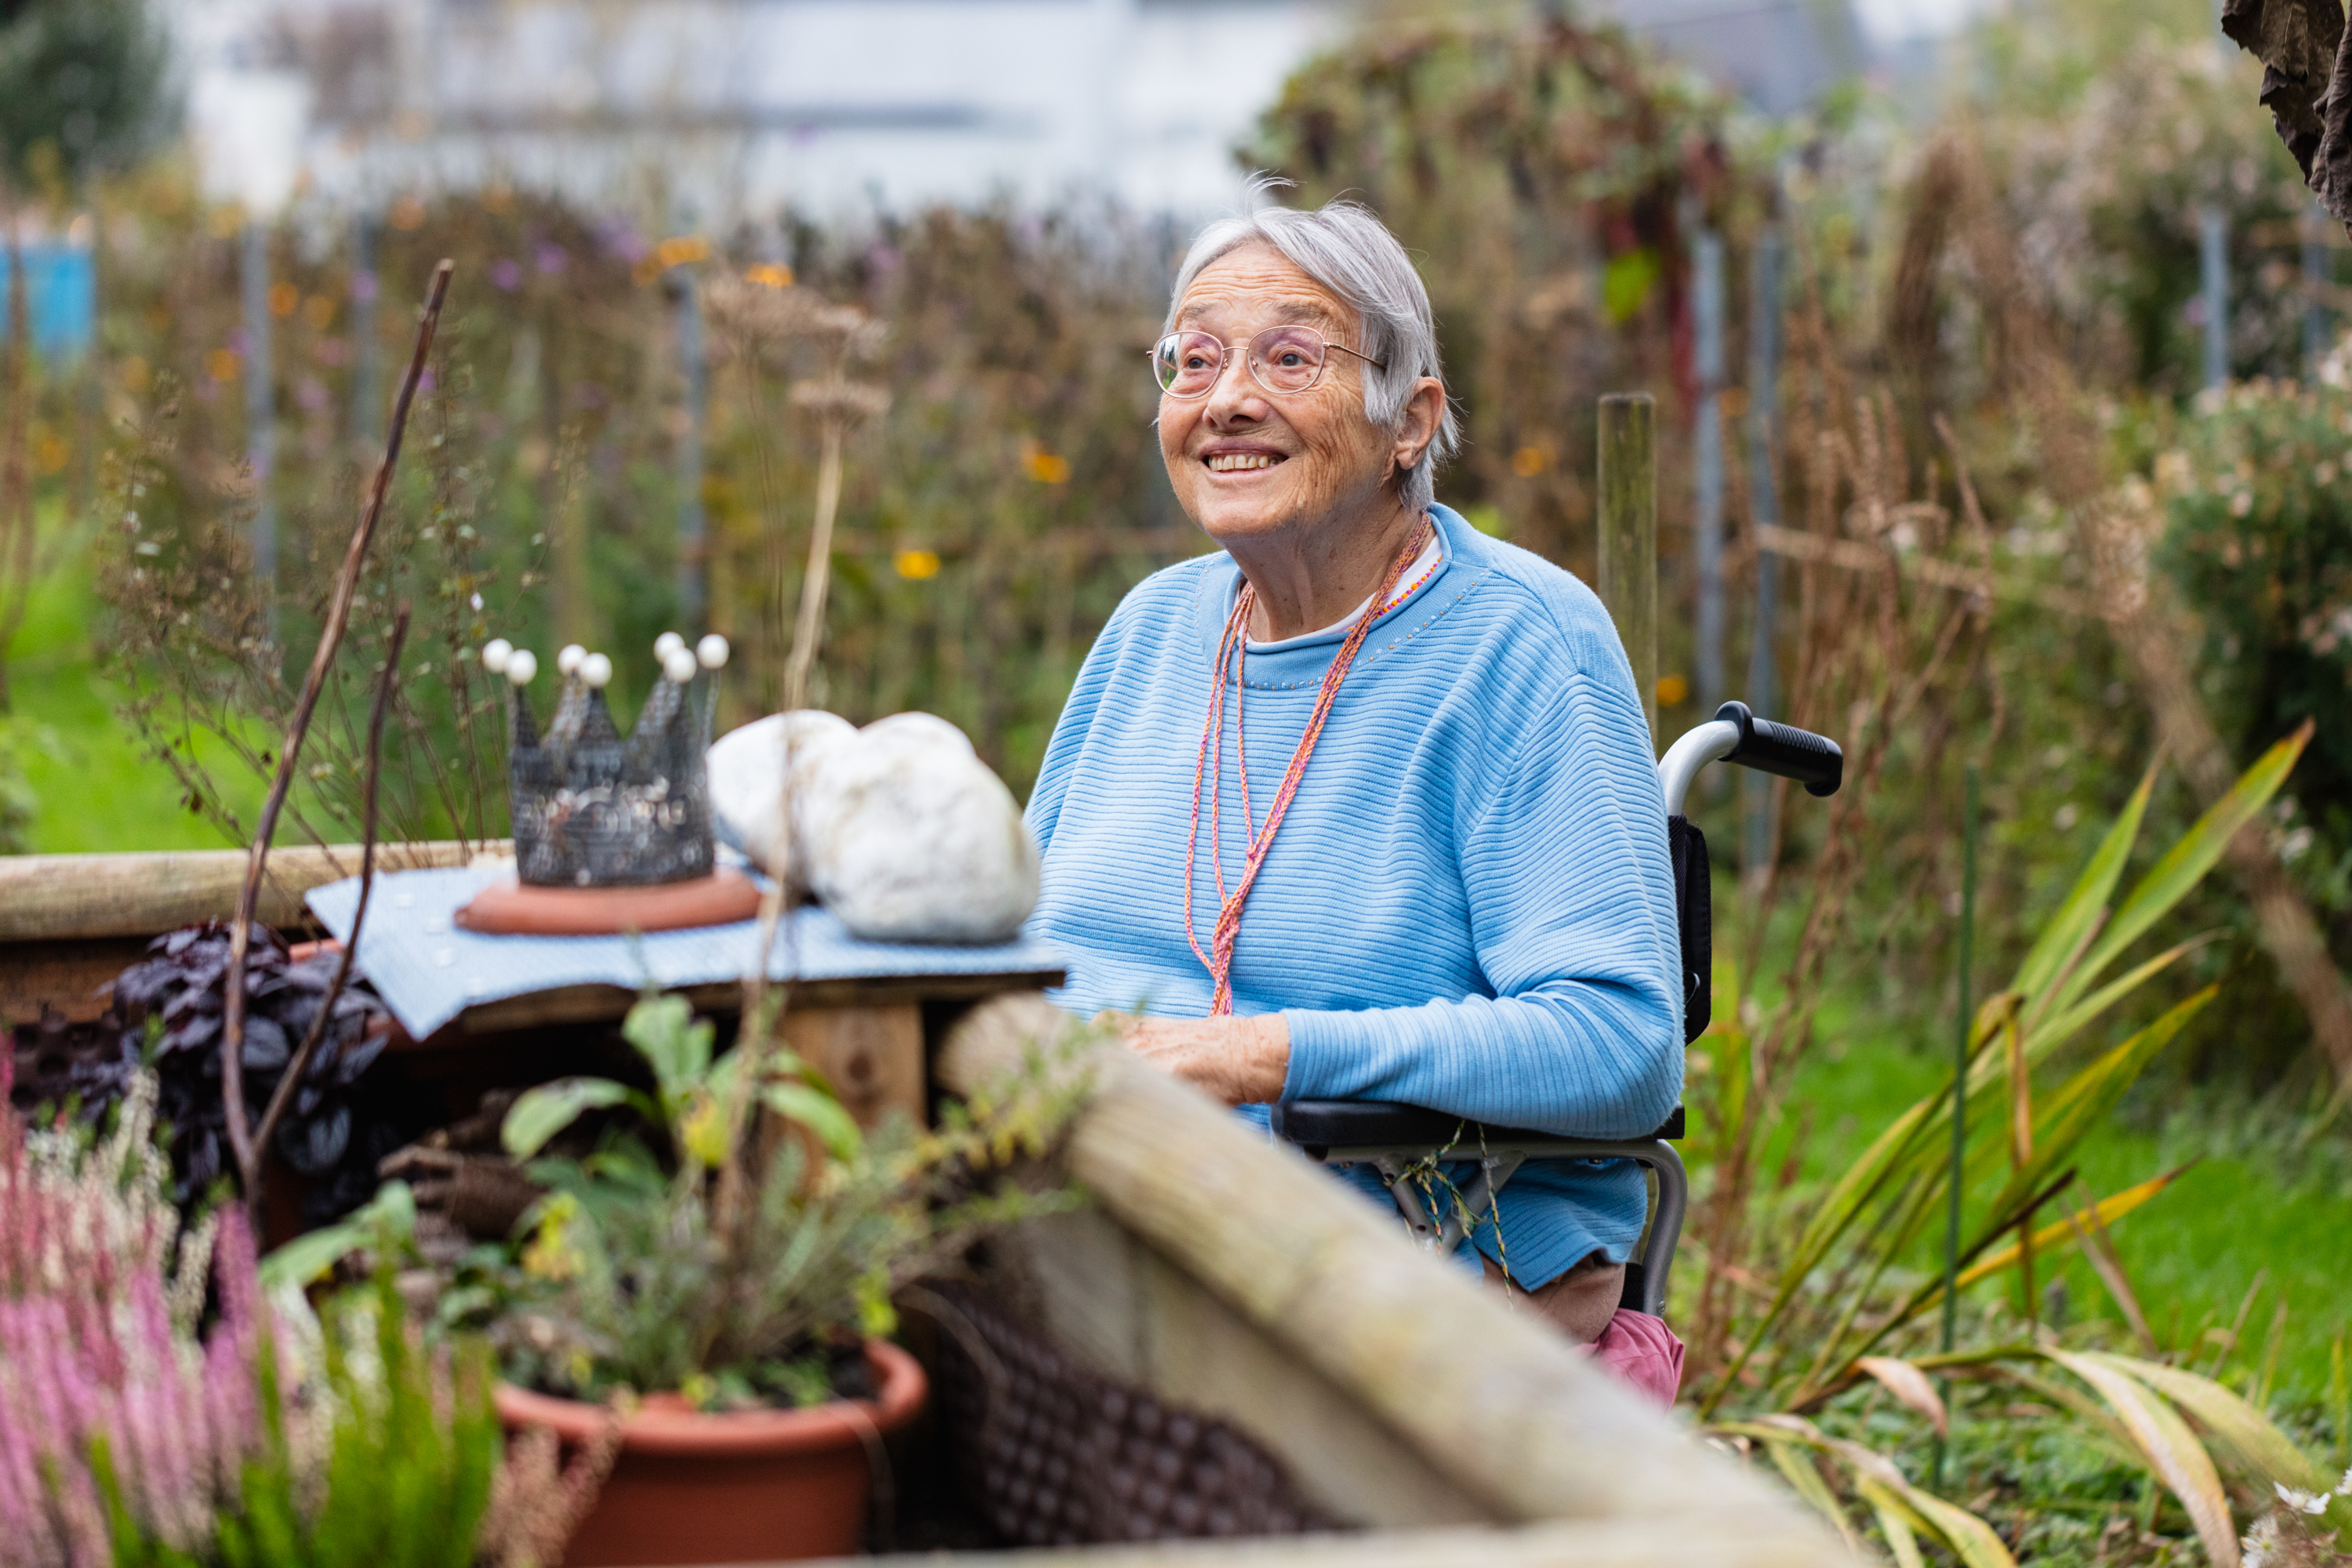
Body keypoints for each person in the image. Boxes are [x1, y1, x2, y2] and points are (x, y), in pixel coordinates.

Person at [1022, 185, 1685, 1402]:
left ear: (1408, 420)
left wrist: (1265, 1055)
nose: (1227, 400)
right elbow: (1009, 946)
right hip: (1090, 1207)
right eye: (1195, 359)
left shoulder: (1517, 646)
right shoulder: (1152, 629)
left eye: (1288, 356)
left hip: (1389, 1260)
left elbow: (1623, 1045)